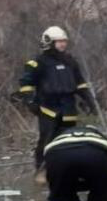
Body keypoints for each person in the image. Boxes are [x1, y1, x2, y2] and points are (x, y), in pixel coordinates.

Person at [17, 26, 99, 183]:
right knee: (46, 141)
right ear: (49, 42)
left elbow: (80, 83)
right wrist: (29, 102)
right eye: (59, 41)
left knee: (71, 141)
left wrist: (88, 100)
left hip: (69, 107)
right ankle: (41, 172)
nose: (62, 44)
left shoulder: (71, 62)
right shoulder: (37, 63)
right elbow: (25, 83)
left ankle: (69, 172)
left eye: (64, 41)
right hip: (48, 108)